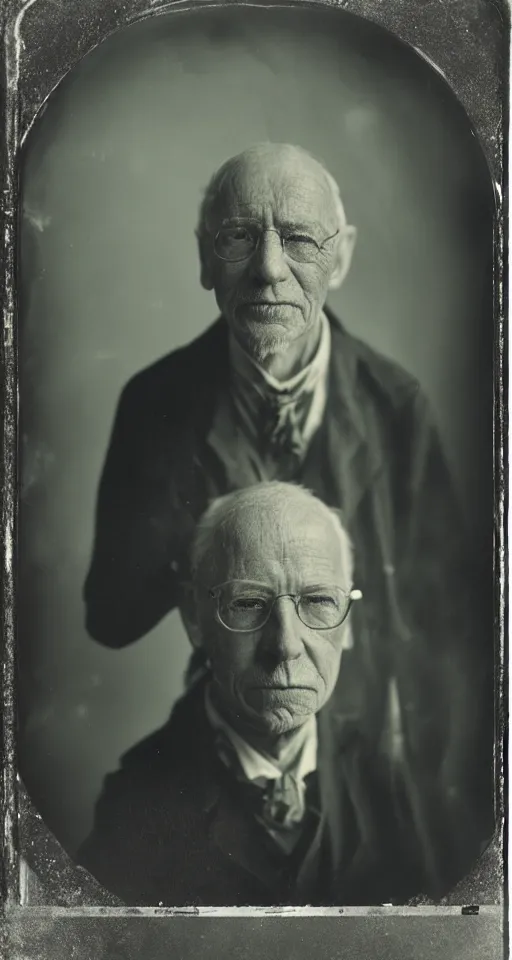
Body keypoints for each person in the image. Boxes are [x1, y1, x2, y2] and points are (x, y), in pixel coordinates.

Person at [84, 142, 492, 833]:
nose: (270, 271)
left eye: (300, 239)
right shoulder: (157, 403)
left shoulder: (395, 405)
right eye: (239, 238)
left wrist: (432, 768)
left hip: (372, 759)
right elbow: (111, 618)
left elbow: (450, 623)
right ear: (207, 258)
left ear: (342, 255)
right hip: (234, 727)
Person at [78, 483, 478, 906]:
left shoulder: (399, 788)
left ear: (349, 625)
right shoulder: (135, 804)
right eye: (249, 603)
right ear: (195, 620)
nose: (285, 645)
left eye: (319, 600)